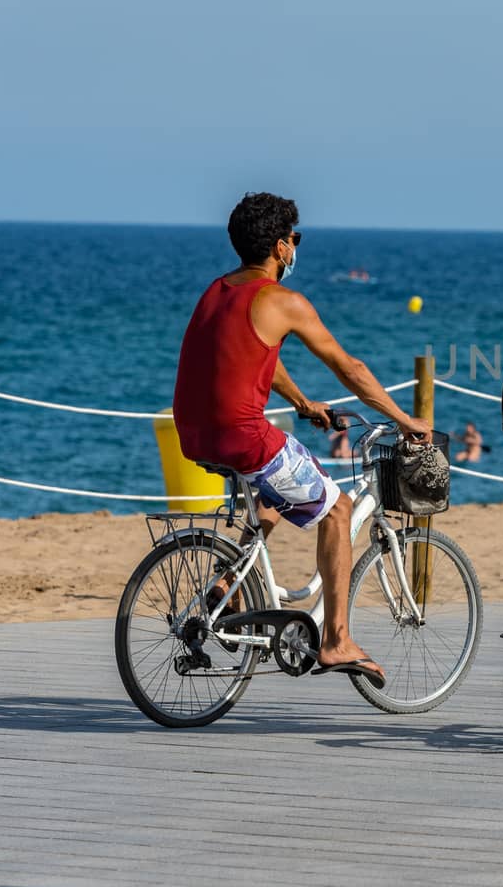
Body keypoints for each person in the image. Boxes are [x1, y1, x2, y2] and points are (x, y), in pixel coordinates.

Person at [171, 192, 430, 689]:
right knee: (335, 510)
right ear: (280, 247)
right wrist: (401, 418)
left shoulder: (217, 291)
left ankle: (230, 579)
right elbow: (349, 367)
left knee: (279, 483)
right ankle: (336, 639)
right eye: (295, 238)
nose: (296, 247)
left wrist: (302, 403)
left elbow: (257, 354)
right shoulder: (282, 301)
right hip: (242, 435)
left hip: (195, 433)